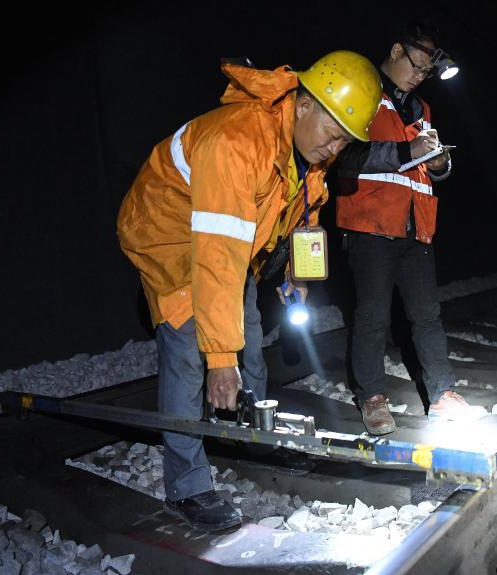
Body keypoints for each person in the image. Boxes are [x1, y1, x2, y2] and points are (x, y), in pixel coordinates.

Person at [117, 52, 381, 531]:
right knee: (190, 352)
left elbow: (301, 214)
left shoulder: (307, 151)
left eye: (346, 139)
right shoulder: (237, 142)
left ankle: (260, 440)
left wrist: (296, 275)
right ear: (303, 104)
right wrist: (221, 359)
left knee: (251, 345)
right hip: (168, 238)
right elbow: (216, 255)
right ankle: (186, 486)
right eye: (333, 132)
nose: (335, 147)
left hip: (228, 241)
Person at [335, 22, 486, 435]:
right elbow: (344, 156)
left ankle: (442, 395)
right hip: (371, 225)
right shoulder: (363, 91)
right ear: (396, 51)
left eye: (426, 72)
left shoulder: (420, 109)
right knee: (372, 316)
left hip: (416, 227)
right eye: (416, 66)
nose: (420, 76)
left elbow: (426, 166)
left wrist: (439, 164)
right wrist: (407, 150)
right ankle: (371, 397)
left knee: (428, 316)